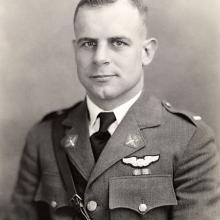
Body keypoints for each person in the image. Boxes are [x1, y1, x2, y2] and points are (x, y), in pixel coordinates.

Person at [5, 0, 220, 219]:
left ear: (146, 52)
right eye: (88, 43)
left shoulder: (189, 140)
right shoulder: (43, 137)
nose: (100, 58)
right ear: (75, 50)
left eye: (117, 42)